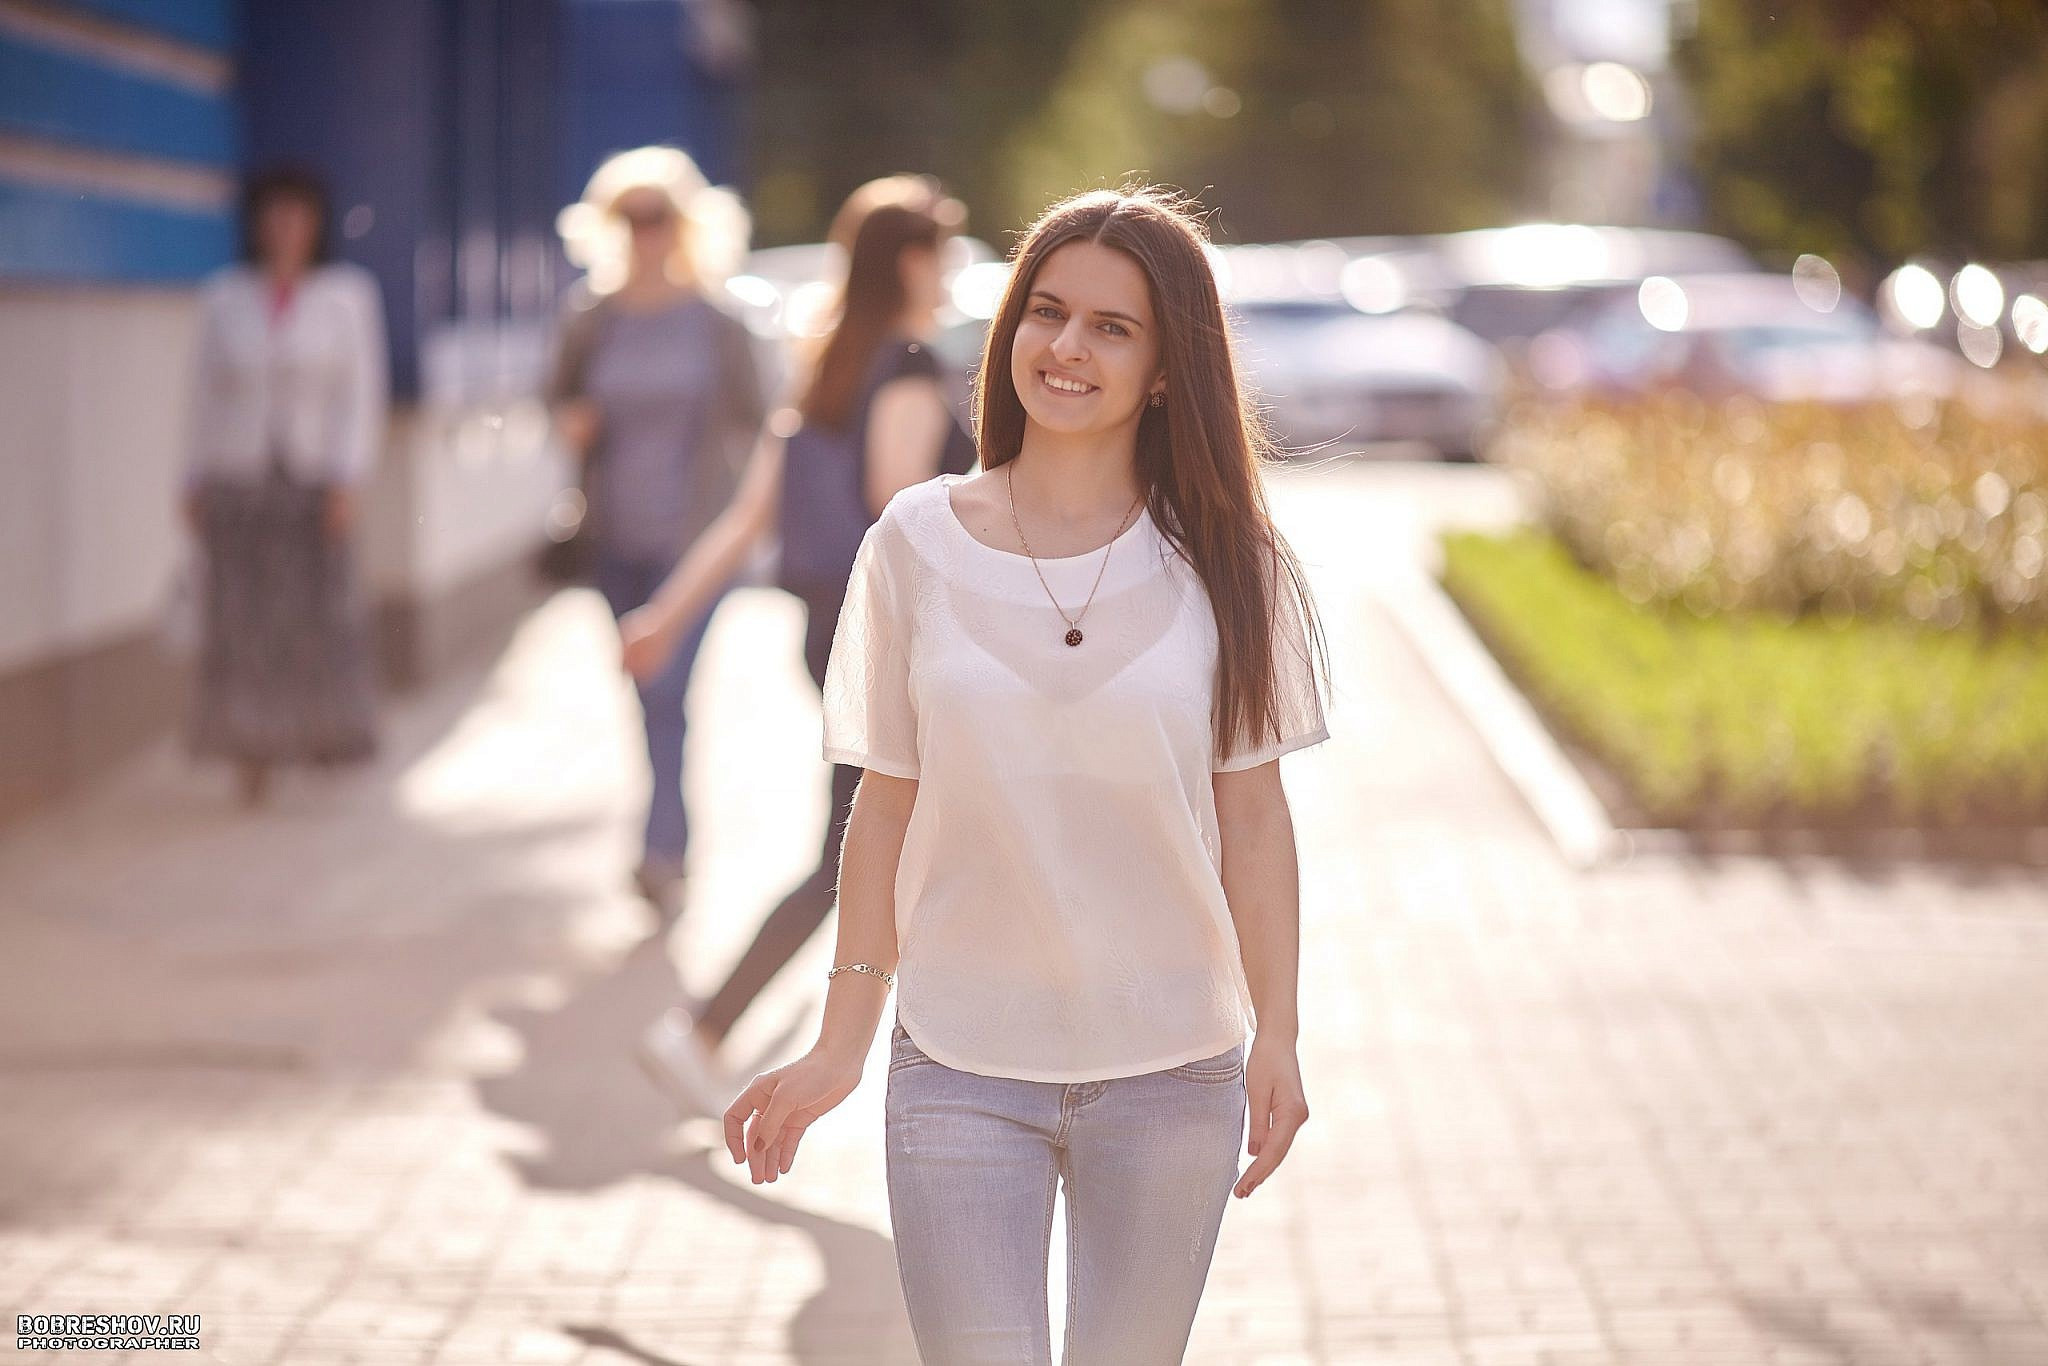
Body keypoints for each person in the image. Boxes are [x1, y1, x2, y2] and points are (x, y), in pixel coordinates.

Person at [723, 185, 1332, 1364]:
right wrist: (841, 1041)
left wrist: (1279, 1033)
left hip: (1171, 1068)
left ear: (1166, 367)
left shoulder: (1229, 562)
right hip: (957, 1065)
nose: (1066, 347)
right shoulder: (912, 542)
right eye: (1046, 312)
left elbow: (1253, 818)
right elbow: (883, 806)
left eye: (1112, 326)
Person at [618, 174, 977, 1109]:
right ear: (911, 260)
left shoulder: (825, 369)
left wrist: (663, 618)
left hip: (830, 636)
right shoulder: (906, 366)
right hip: (896, 646)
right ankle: (705, 1032)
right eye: (944, 251)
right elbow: (901, 505)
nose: (951, 269)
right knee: (856, 855)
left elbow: (747, 520)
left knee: (883, 847)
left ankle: (720, 1031)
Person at [546, 146, 767, 907]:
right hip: (614, 538)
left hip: (695, 544)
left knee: (668, 686)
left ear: (686, 224)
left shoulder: (717, 322)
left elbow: (764, 425)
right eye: (632, 218)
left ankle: (663, 849)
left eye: (659, 217)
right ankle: (667, 837)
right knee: (647, 693)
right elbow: (555, 398)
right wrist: (573, 422)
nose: (646, 232)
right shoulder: (591, 317)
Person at [181, 164, 388, 806]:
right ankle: (249, 745)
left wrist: (348, 478)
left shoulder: (345, 297)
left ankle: (318, 736)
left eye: (297, 217)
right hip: (240, 478)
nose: (286, 229)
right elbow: (202, 396)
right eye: (275, 216)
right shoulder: (225, 298)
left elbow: (360, 394)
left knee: (315, 616)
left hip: (312, 478)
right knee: (242, 618)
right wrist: (191, 476)